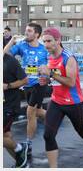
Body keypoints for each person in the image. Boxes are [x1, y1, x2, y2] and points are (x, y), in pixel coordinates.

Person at [38, 28, 83, 168]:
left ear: (58, 40)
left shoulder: (69, 57)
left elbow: (70, 82)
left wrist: (50, 74)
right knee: (48, 135)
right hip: (56, 101)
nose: (46, 44)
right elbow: (55, 79)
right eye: (44, 41)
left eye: (49, 41)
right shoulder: (50, 57)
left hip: (73, 102)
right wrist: (47, 81)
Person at [4, 23, 48, 160]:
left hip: (39, 85)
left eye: (29, 31)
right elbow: (3, 55)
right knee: (37, 112)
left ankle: (28, 144)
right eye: (26, 30)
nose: (26, 33)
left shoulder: (44, 49)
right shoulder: (22, 46)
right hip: (26, 85)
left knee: (30, 113)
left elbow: (52, 67)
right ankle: (53, 117)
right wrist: (12, 41)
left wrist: (47, 75)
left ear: (36, 34)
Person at [3, 40, 29, 168]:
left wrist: (7, 86)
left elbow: (25, 80)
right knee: (6, 136)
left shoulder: (10, 61)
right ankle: (22, 163)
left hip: (9, 105)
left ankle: (19, 148)